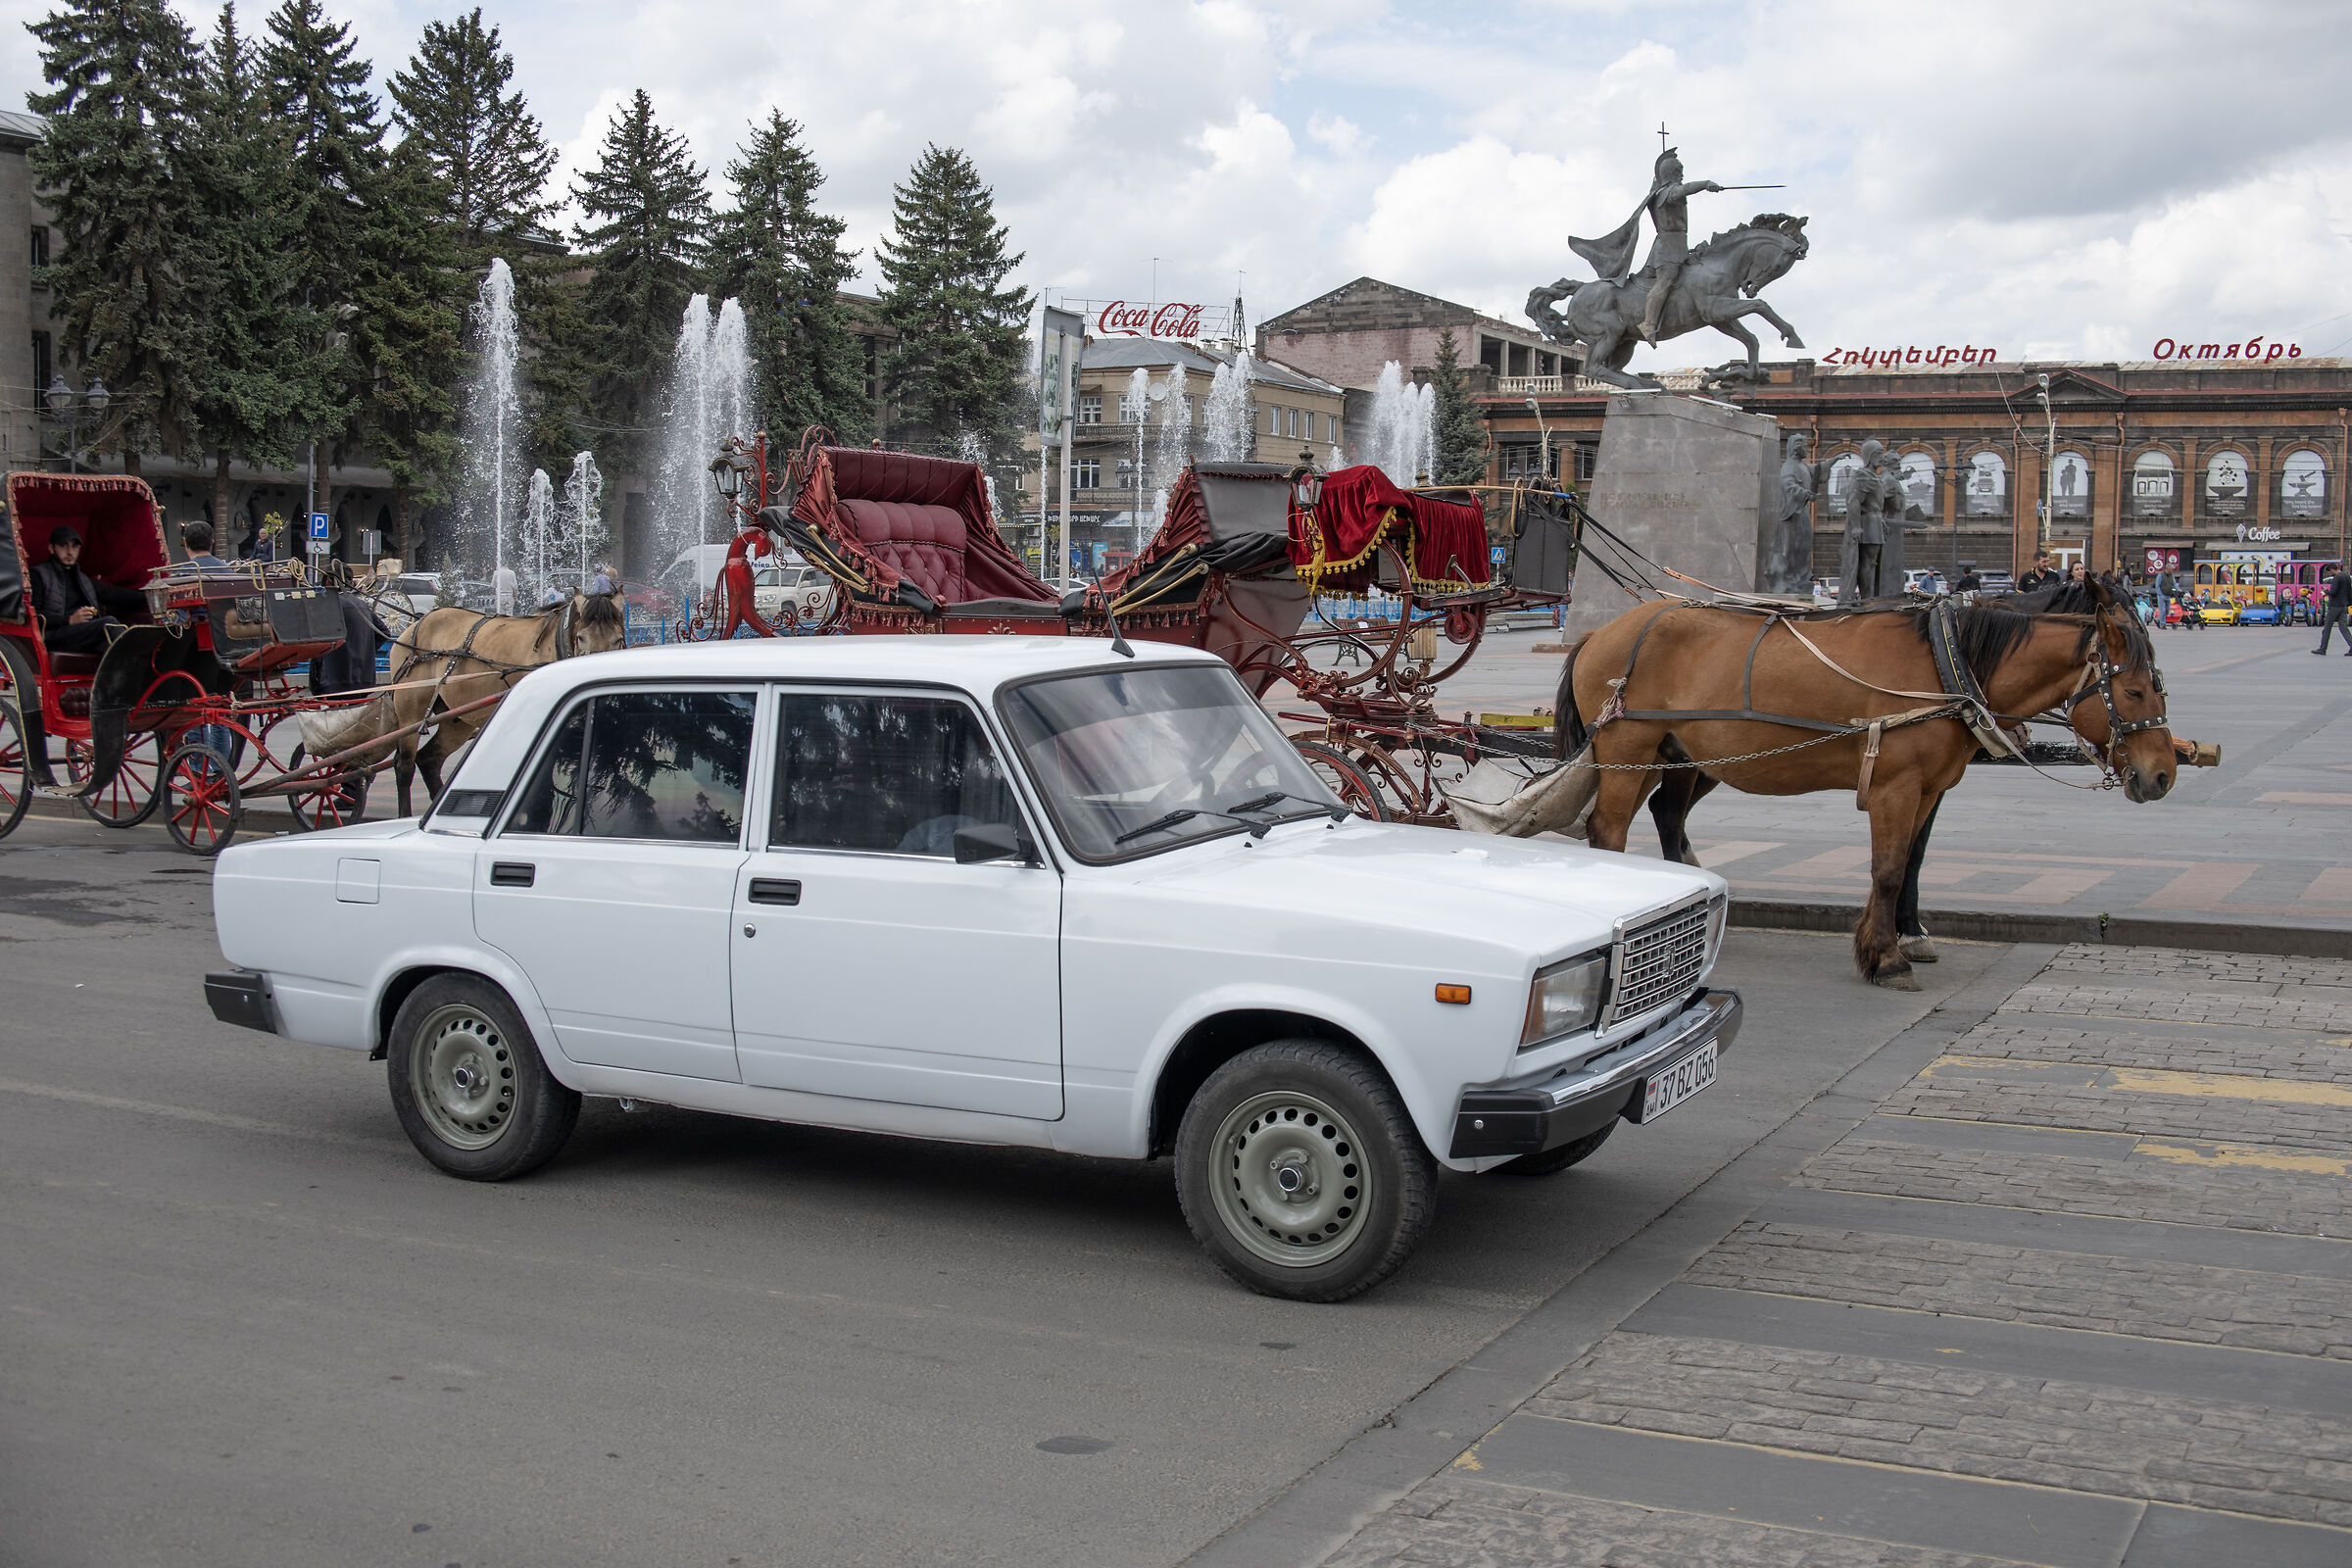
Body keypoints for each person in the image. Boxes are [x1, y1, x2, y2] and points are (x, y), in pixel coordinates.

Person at [30, 523, 143, 658]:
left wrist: (149, 595)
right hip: (53, 636)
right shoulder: (38, 575)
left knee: (109, 645)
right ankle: (134, 671)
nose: (70, 552)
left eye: (74, 546)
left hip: (81, 634)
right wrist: (69, 620)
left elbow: (113, 595)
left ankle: (128, 676)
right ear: (51, 548)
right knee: (109, 623)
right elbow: (34, 615)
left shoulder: (82, 579)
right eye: (63, 545)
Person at [2314, 564, 2352, 654]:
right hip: (2343, 605)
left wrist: (2326, 591)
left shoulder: (2337, 578)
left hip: (2334, 605)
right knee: (2343, 627)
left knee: (2327, 628)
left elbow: (2334, 592)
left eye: (2329, 571)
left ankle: (2323, 649)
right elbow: (2349, 591)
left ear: (2332, 569)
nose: (2330, 573)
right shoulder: (2346, 576)